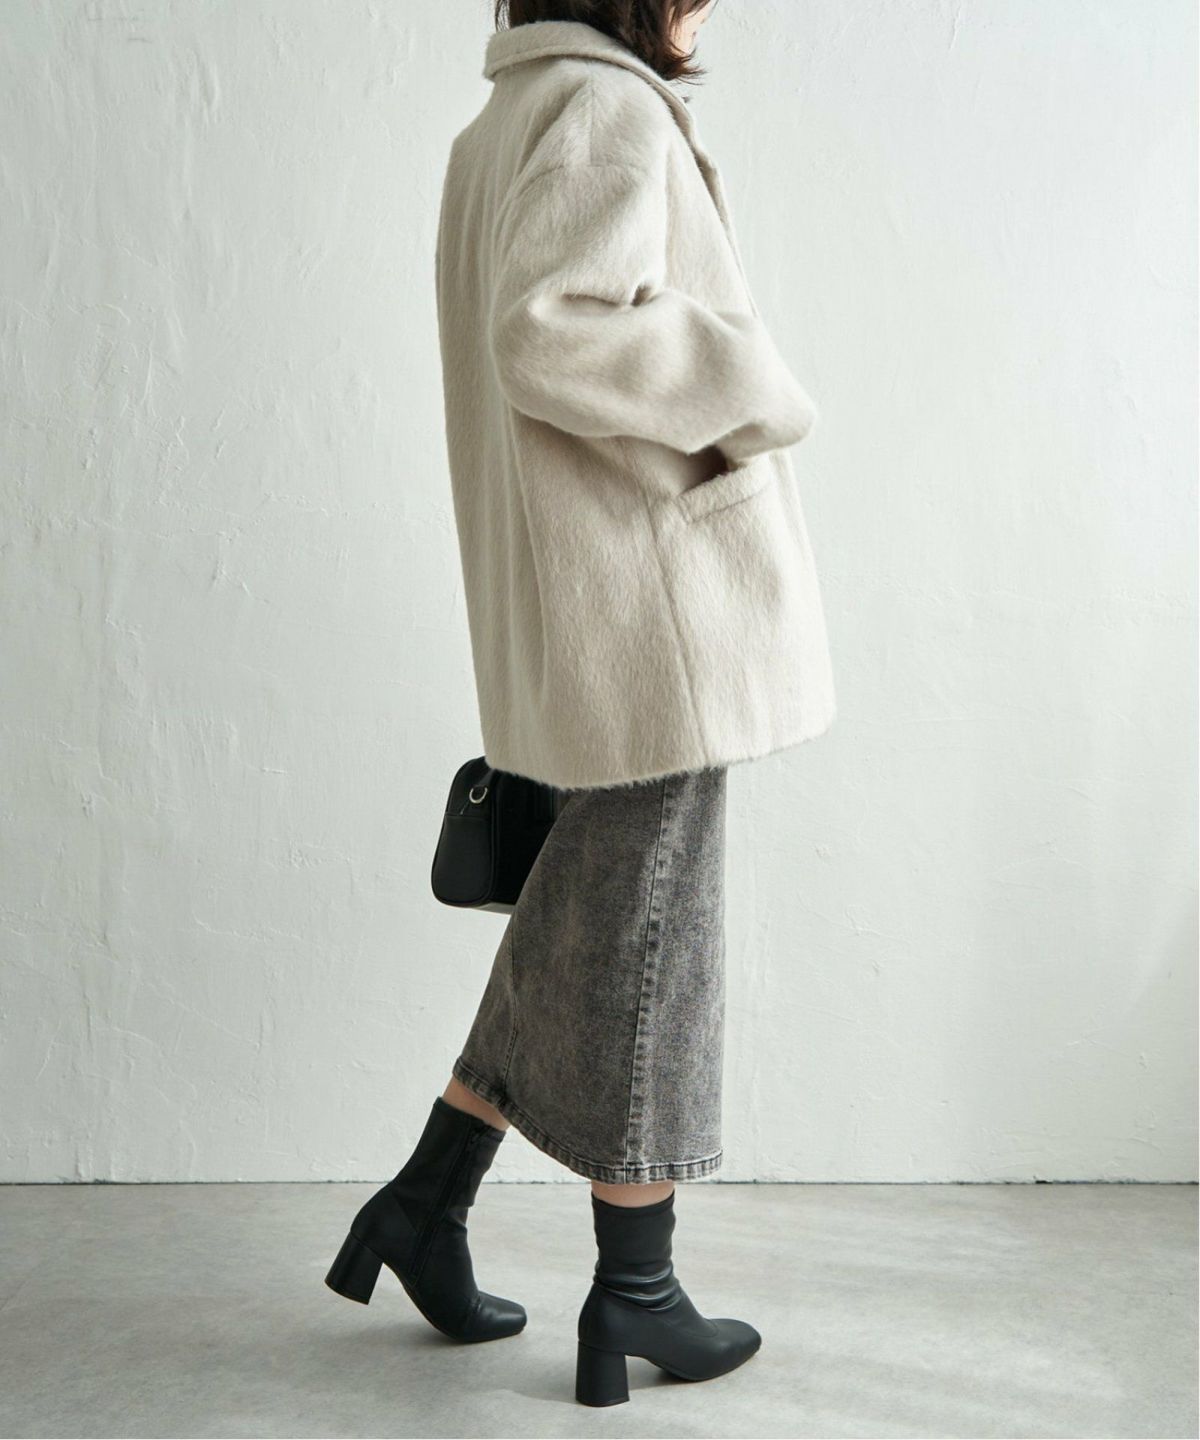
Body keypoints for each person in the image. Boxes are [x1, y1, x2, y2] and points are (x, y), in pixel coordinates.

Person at [325, 0, 837, 1409]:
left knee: (586, 921)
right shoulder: (604, 111)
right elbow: (549, 335)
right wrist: (747, 375)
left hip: (586, 607)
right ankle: (636, 1292)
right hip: (649, 611)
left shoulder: (501, 123)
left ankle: (426, 1203)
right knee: (650, 944)